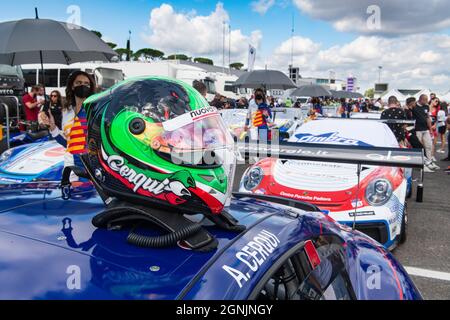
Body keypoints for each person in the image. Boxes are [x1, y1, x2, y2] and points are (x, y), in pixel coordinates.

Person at [39, 71, 96, 175]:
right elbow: (68, 143)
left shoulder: (95, 110)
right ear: (72, 86)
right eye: (78, 83)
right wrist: (53, 127)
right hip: (72, 168)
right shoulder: (66, 110)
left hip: (92, 168)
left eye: (86, 83)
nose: (83, 86)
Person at [410, 94, 439, 172]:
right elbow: (407, 108)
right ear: (421, 99)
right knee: (418, 147)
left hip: (425, 129)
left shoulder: (426, 106)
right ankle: (419, 164)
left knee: (428, 145)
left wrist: (430, 129)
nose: (427, 101)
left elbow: (428, 118)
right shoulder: (414, 106)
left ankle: (429, 162)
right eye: (425, 100)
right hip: (417, 130)